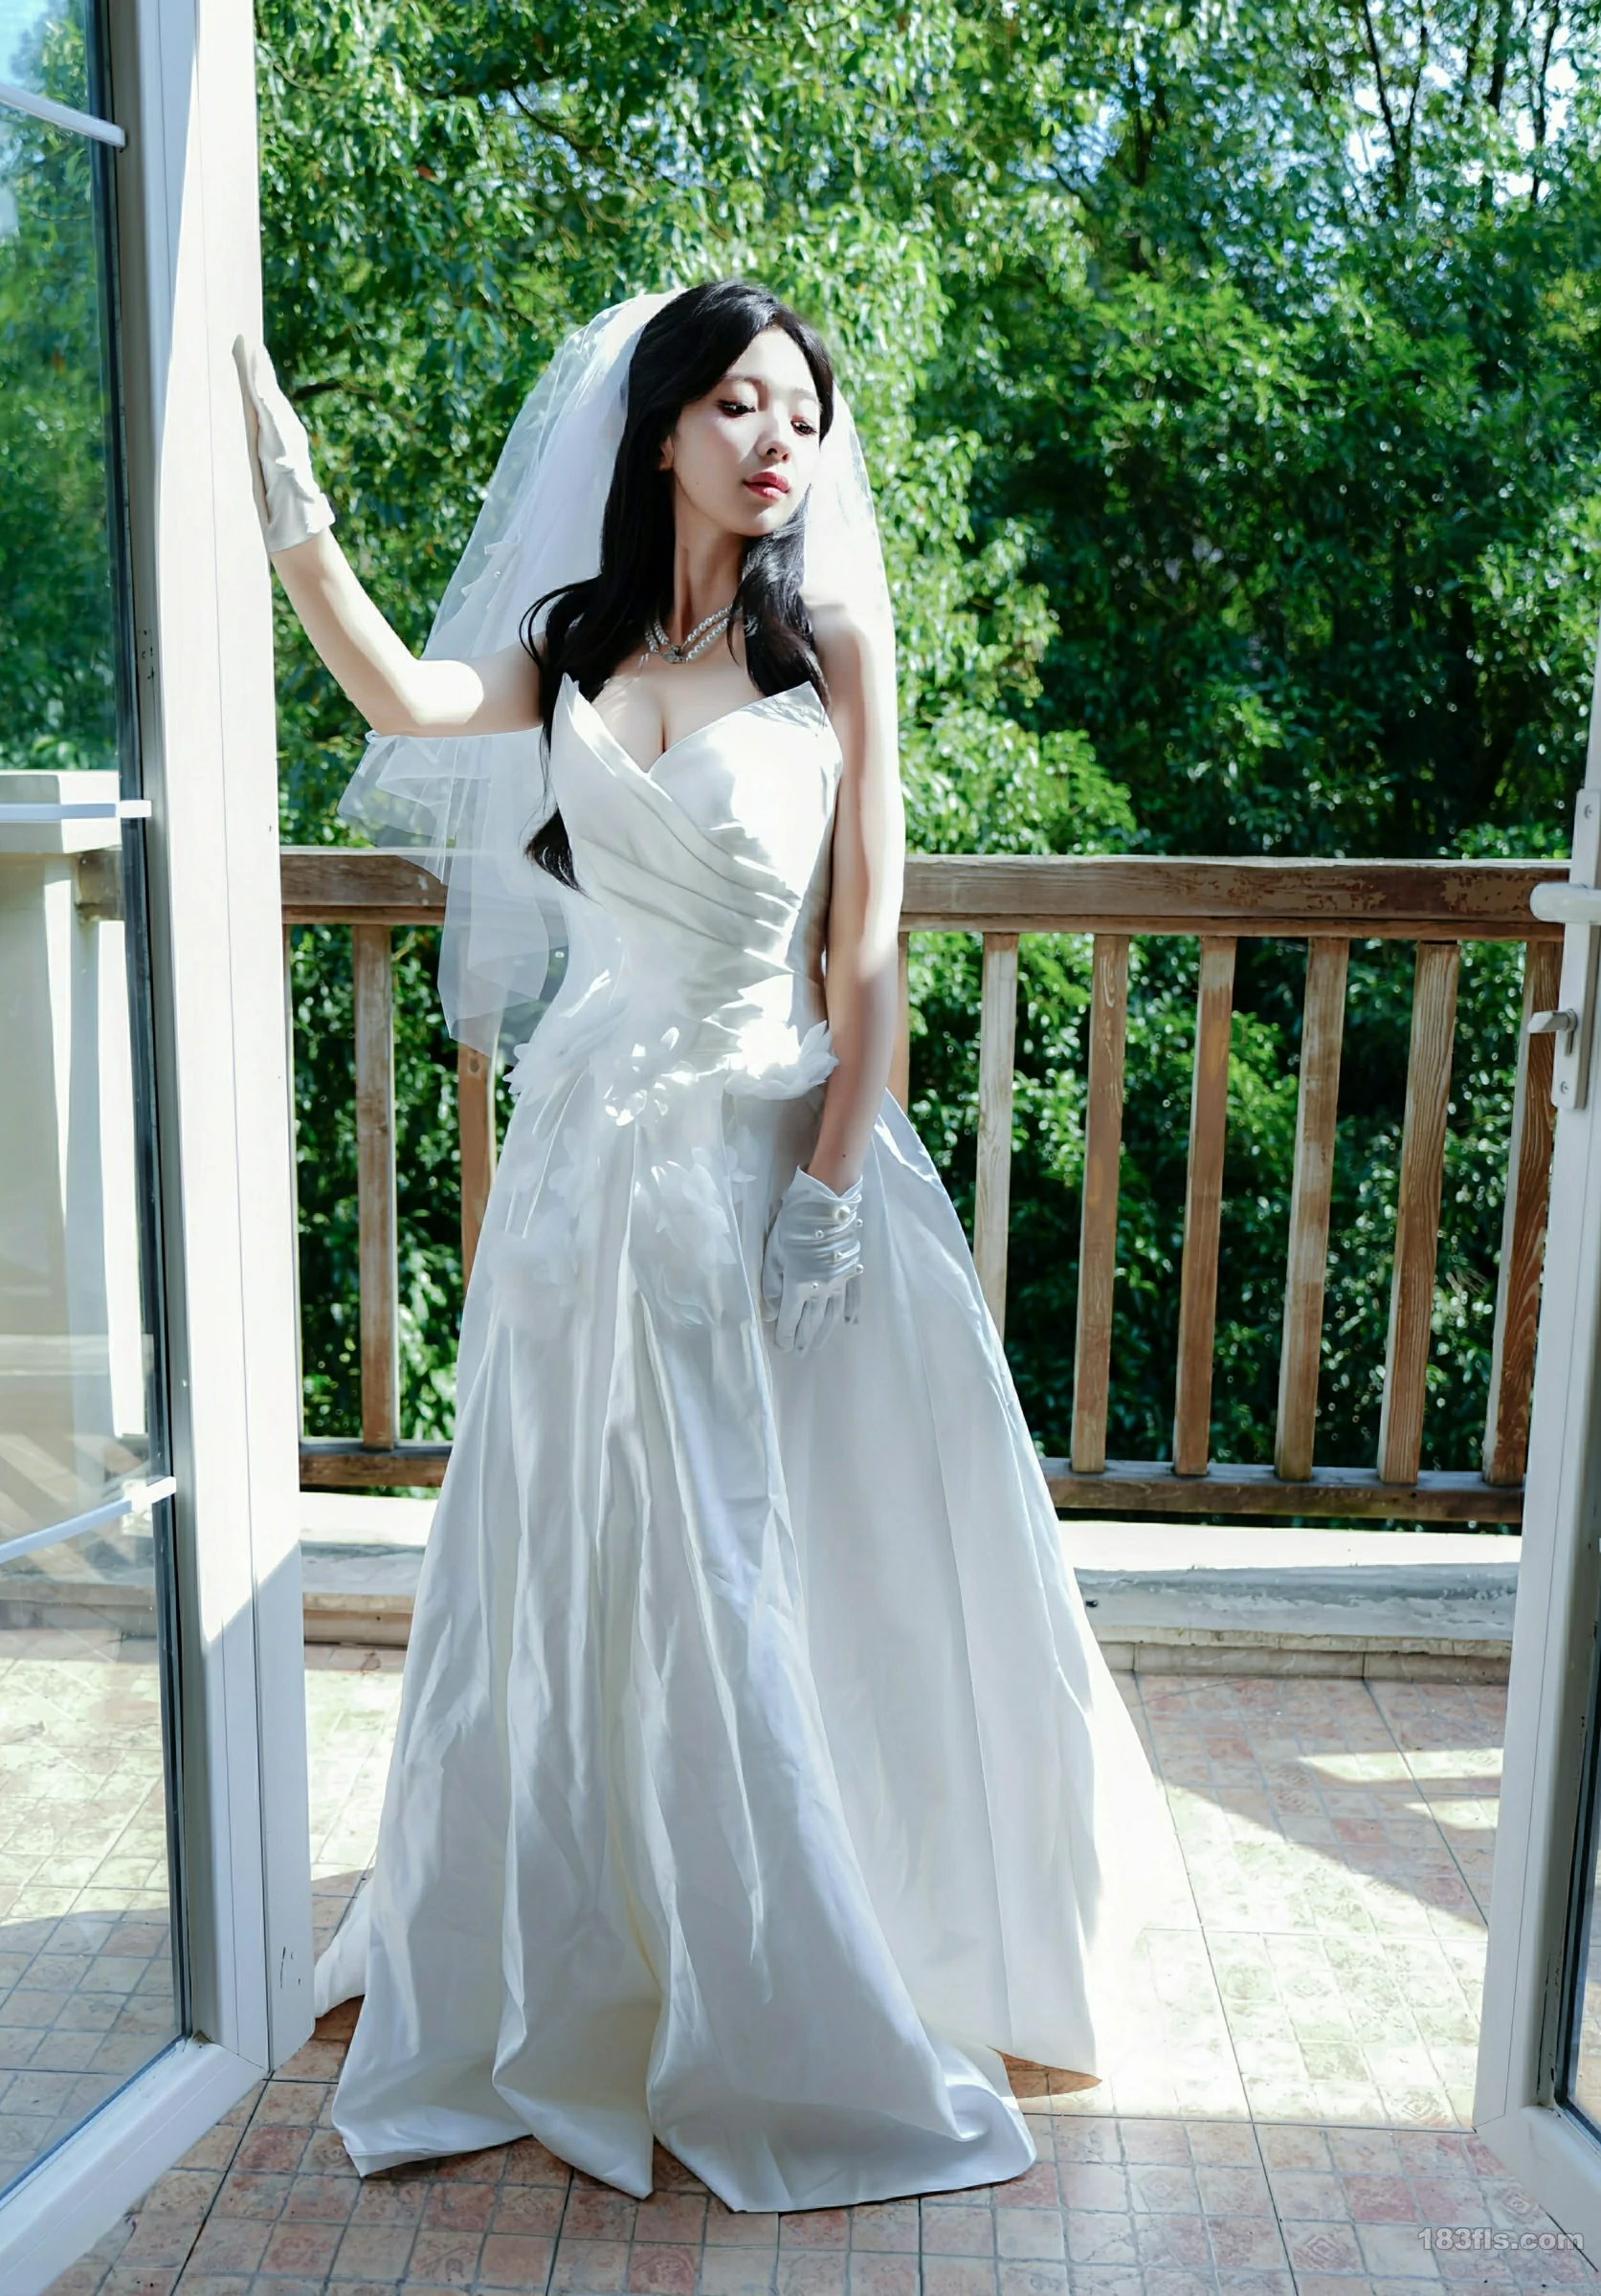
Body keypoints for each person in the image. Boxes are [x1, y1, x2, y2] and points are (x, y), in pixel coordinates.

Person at [234, 280, 1184, 2216]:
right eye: (741, 405)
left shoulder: (831, 646)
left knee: (769, 1555)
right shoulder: (573, 641)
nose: (778, 444)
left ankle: (816, 1952)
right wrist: (291, 514)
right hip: (595, 1165)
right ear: (661, 427)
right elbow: (403, 701)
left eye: (804, 416)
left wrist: (828, 1191)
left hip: (772, 1143)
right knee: (581, 1551)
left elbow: (868, 944)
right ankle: (598, 1930)